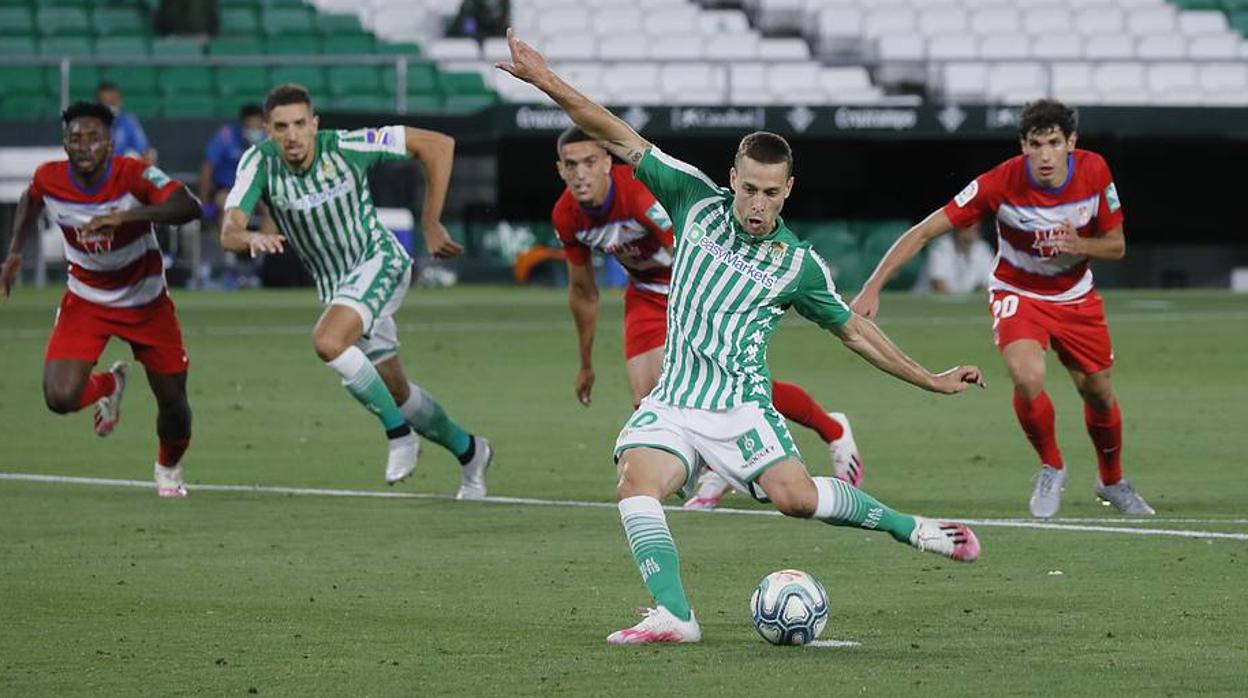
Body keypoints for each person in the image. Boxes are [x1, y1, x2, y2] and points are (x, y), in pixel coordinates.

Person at [498, 29, 984, 645]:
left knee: (798, 500)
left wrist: (931, 379)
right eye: (749, 187)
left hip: (740, 409)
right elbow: (615, 132)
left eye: (771, 192)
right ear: (733, 177)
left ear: (788, 192)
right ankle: (674, 614)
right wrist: (546, 82)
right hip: (675, 400)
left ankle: (910, 527)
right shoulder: (692, 198)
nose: (757, 203)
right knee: (635, 481)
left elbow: (857, 332)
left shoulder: (798, 266)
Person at [851, 99, 1153, 519]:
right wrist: (872, 286)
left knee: (1098, 392)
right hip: (1018, 292)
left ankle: (1112, 480)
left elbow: (1116, 245)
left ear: (1071, 142)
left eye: (1053, 143)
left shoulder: (1095, 171)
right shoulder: (1000, 182)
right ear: (1023, 145)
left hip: (1076, 296)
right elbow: (924, 232)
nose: (1045, 155)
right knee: (1027, 376)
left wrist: (1079, 245)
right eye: (1035, 144)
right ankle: (1052, 466)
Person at [551, 127, 864, 511]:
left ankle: (831, 429)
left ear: (606, 161)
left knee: (721, 382)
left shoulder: (636, 196)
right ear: (560, 170)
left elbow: (697, 249)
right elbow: (583, 293)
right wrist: (585, 363)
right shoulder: (566, 214)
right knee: (650, 395)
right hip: (647, 294)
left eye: (589, 162)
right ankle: (705, 461)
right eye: (571, 165)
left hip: (698, 288)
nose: (581, 173)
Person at [219, 83, 493, 499]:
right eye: (280, 127)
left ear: (315, 124)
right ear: (268, 131)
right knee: (396, 392)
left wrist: (431, 221)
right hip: (338, 288)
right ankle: (471, 452)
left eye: (299, 124)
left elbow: (438, 144)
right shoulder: (258, 163)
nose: (291, 135)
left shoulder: (348, 145)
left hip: (379, 260)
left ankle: (399, 436)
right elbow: (229, 230)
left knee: (328, 341)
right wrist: (250, 237)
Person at [0, 101, 201, 497]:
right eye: (76, 139)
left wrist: (126, 217)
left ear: (110, 143)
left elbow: (188, 206)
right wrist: (15, 252)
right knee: (59, 397)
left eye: (94, 137)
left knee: (174, 403)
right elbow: (30, 199)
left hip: (146, 301)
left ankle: (168, 466)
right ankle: (110, 384)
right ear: (65, 144)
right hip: (87, 299)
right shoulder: (50, 178)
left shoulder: (134, 174)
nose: (85, 146)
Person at [199, 103, 266, 222]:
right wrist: (204, 202)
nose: (254, 130)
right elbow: (207, 167)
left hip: (257, 190)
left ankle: (263, 240)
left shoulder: (268, 138)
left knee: (272, 211)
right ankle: (227, 241)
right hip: (227, 189)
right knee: (228, 207)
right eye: (250, 126)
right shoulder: (226, 136)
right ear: (242, 124)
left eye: (257, 127)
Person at [915, 225, 994, 295]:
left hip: (960, 304)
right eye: (967, 227)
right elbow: (939, 286)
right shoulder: (941, 247)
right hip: (926, 302)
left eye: (976, 229)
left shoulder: (983, 249)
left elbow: (987, 286)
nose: (971, 232)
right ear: (957, 229)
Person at [96, 82, 156, 164]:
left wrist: (147, 157)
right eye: (105, 102)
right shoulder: (89, 124)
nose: (110, 106)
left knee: (132, 155)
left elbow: (145, 150)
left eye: (113, 101)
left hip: (123, 170)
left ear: (120, 102)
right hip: (98, 170)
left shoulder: (129, 122)